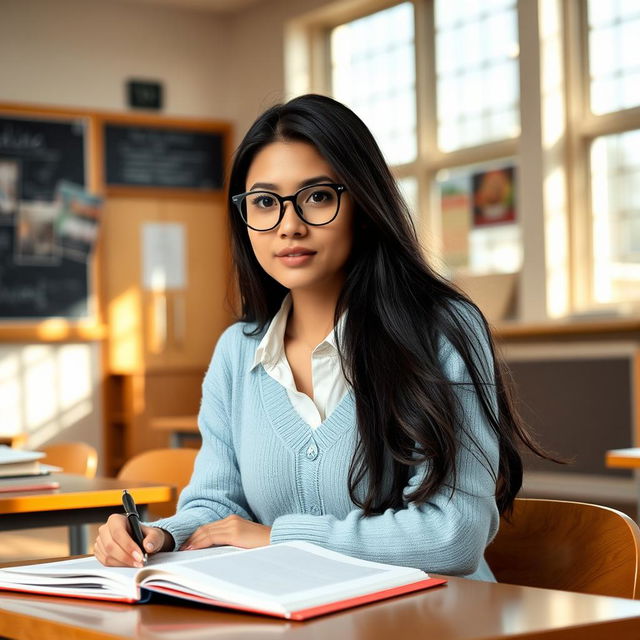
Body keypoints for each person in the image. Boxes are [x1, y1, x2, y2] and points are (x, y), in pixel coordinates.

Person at [94, 94, 546, 579]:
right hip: (295, 614)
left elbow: (452, 536)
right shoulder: (237, 351)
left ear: (364, 205)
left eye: (317, 197)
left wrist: (279, 539)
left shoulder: (444, 331)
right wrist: (163, 535)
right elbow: (217, 505)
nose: (289, 226)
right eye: (265, 202)